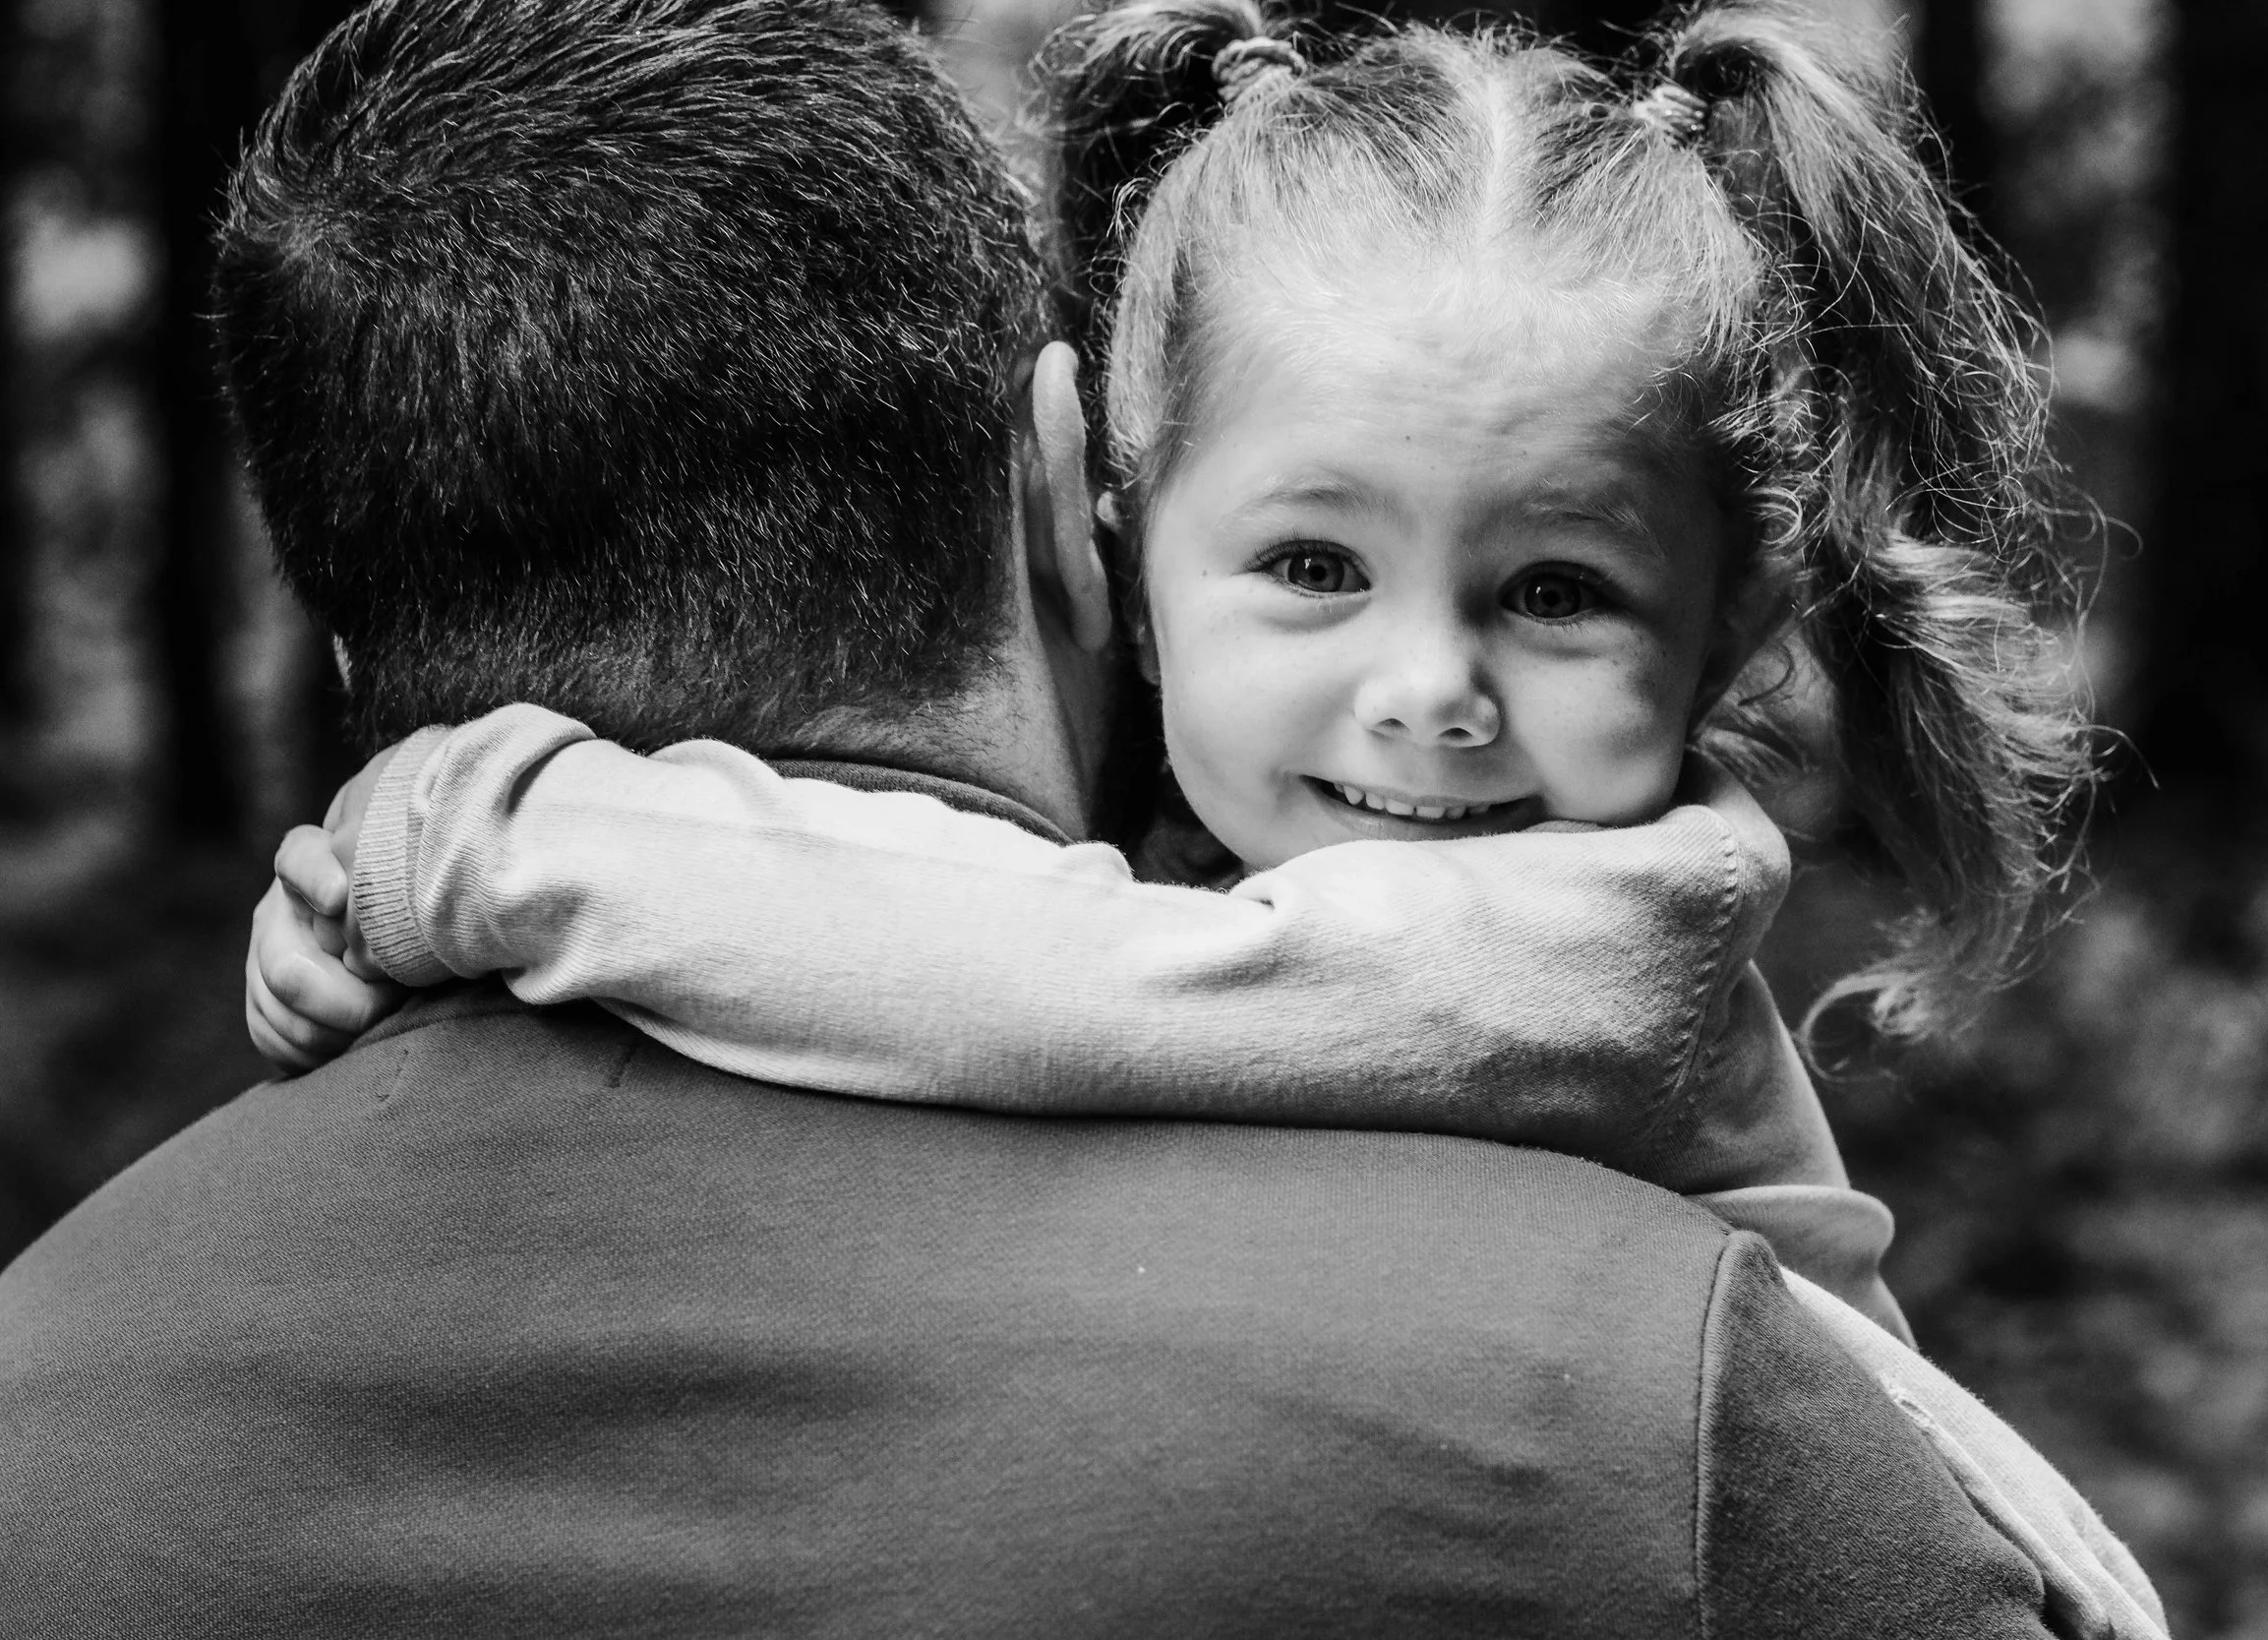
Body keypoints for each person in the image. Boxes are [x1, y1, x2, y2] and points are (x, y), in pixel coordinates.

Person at [4, 0, 2129, 1634]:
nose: (1423, 688)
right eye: (1309, 564)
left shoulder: (1603, 936)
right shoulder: (1333, 950)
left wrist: (507, 854)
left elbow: (1021, 971)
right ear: (1090, 503)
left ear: (1725, 627)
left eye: (1553, 591)